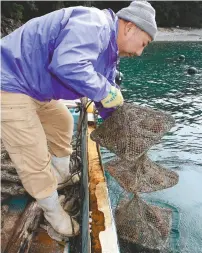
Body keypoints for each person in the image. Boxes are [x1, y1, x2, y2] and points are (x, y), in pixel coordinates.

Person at [1, 1, 157, 236]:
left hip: (33, 87)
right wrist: (106, 91)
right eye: (143, 44)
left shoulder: (109, 53)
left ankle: (61, 175)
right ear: (130, 28)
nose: (139, 53)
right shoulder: (94, 23)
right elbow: (68, 64)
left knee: (63, 121)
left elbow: (107, 101)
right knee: (31, 152)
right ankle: (53, 212)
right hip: (8, 81)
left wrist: (127, 136)